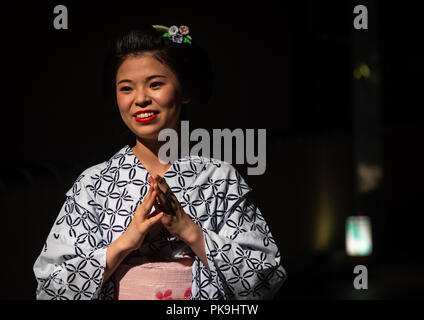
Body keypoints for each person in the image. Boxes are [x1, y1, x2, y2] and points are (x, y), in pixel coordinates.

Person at [33, 24, 286, 300]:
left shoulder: (220, 178)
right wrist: (124, 244)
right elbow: (50, 289)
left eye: (155, 84)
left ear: (184, 90)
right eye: (126, 88)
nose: (141, 99)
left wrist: (190, 231)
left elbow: (267, 276)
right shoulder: (92, 184)